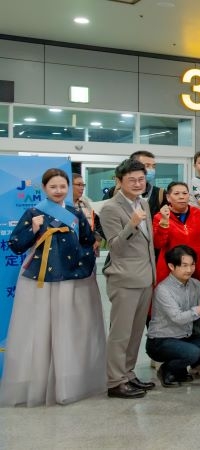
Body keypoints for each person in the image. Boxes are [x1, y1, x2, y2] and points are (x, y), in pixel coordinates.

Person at [0, 168, 106, 406]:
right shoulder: (34, 212)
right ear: (44, 188)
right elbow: (16, 245)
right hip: (41, 280)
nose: (58, 191)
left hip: (70, 278)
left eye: (62, 186)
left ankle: (67, 383)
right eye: (53, 187)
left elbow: (88, 240)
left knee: (68, 329)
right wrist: (33, 229)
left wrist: (86, 256)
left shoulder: (75, 212)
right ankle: (38, 383)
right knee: (40, 330)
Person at [100, 158, 158, 399]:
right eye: (131, 180)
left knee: (135, 333)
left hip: (145, 277)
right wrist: (131, 225)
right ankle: (115, 381)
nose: (137, 183)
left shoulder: (143, 202)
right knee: (121, 334)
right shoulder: (111, 208)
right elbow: (115, 246)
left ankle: (128, 373)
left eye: (141, 179)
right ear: (119, 181)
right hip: (124, 279)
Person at [145, 245, 200, 388]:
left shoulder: (196, 285)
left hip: (184, 337)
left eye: (192, 265)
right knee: (192, 353)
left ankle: (179, 371)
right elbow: (178, 318)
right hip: (161, 340)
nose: (189, 269)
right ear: (171, 266)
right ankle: (166, 370)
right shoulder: (163, 289)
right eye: (184, 265)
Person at [154, 182, 200, 296]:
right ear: (168, 197)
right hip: (173, 266)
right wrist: (164, 221)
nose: (181, 197)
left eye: (185, 193)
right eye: (176, 193)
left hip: (198, 265)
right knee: (171, 298)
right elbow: (158, 244)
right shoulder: (159, 217)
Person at [103, 150, 165, 217]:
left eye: (153, 166)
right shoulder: (114, 192)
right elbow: (102, 218)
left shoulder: (160, 193)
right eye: (147, 165)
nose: (151, 170)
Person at [72, 172, 102, 254]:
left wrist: (97, 238)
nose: (82, 188)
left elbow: (97, 222)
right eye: (79, 185)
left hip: (89, 248)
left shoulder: (87, 202)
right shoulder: (62, 203)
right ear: (69, 186)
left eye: (83, 185)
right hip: (70, 248)